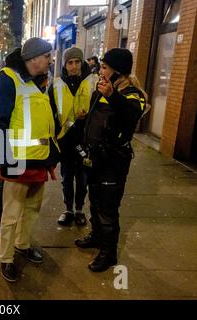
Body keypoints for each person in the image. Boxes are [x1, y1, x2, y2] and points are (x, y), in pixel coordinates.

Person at [0, 37, 60, 282]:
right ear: (34, 59)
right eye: (47, 56)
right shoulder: (8, 78)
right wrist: (4, 159)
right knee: (11, 214)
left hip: (39, 160)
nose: (50, 60)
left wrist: (53, 153)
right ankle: (6, 258)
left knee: (32, 209)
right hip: (17, 162)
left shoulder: (39, 82)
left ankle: (23, 244)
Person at [75, 48, 146, 272]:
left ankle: (109, 253)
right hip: (94, 158)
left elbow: (131, 116)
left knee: (108, 208)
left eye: (105, 67)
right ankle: (96, 236)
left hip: (113, 162)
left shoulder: (132, 94)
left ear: (118, 72)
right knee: (94, 201)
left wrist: (112, 96)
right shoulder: (101, 90)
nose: (100, 71)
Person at [49, 47, 96, 226]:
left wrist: (88, 116)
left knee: (82, 177)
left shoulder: (94, 81)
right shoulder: (56, 84)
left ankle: (79, 210)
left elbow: (101, 111)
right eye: (70, 62)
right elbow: (51, 112)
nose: (74, 66)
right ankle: (68, 209)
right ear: (65, 64)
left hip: (85, 140)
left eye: (77, 62)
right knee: (67, 177)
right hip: (65, 140)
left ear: (82, 62)